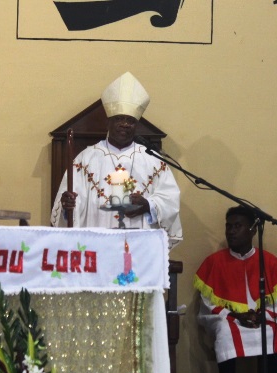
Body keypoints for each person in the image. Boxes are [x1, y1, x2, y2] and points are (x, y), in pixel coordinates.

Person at [50, 72, 183, 249]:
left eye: (131, 120)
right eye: (119, 118)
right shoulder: (85, 159)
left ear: (137, 125)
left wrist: (148, 205)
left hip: (139, 249)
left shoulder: (153, 159)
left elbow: (170, 200)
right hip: (96, 247)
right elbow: (71, 204)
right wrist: (68, 206)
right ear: (108, 122)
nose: (125, 125)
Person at [194, 206, 277, 373]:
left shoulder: (269, 261)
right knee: (226, 332)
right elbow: (208, 304)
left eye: (238, 226)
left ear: (253, 230)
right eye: (228, 227)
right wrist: (236, 317)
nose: (231, 232)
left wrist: (260, 316)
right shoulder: (215, 262)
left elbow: (276, 302)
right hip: (225, 318)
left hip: (259, 318)